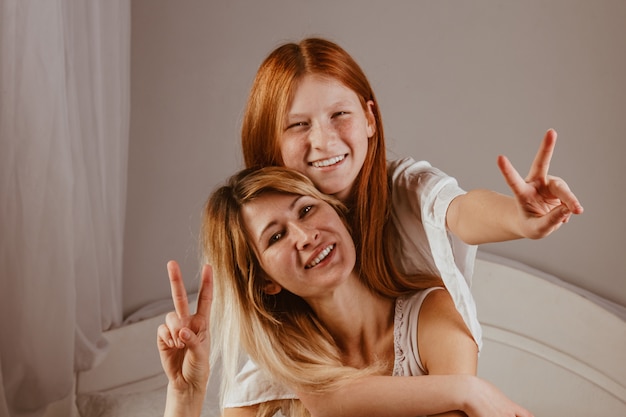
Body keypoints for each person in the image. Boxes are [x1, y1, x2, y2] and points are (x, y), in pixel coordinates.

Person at [159, 166, 534, 417]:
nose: (306, 237)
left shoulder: (431, 318)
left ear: (337, 211)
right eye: (276, 236)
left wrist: (464, 390)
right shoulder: (266, 387)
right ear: (265, 281)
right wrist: (185, 397)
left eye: (306, 210)